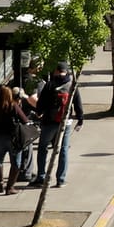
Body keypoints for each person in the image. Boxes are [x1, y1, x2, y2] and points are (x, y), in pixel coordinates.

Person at [32, 60, 84, 188]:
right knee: (63, 150)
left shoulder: (50, 85)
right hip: (65, 122)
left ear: (56, 71)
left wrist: (39, 113)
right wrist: (80, 119)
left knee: (43, 148)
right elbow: (77, 103)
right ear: (66, 71)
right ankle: (60, 179)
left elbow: (41, 103)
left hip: (49, 122)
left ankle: (41, 177)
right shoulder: (72, 85)